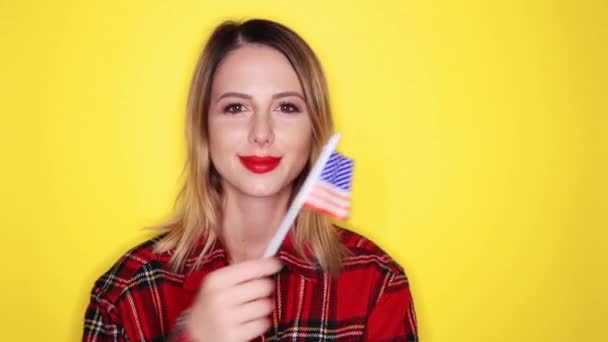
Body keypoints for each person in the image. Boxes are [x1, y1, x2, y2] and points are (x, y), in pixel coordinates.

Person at [83, 18, 418, 342]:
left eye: (286, 107)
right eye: (235, 108)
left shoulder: (376, 282)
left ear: (314, 131)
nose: (262, 134)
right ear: (204, 129)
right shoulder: (126, 290)